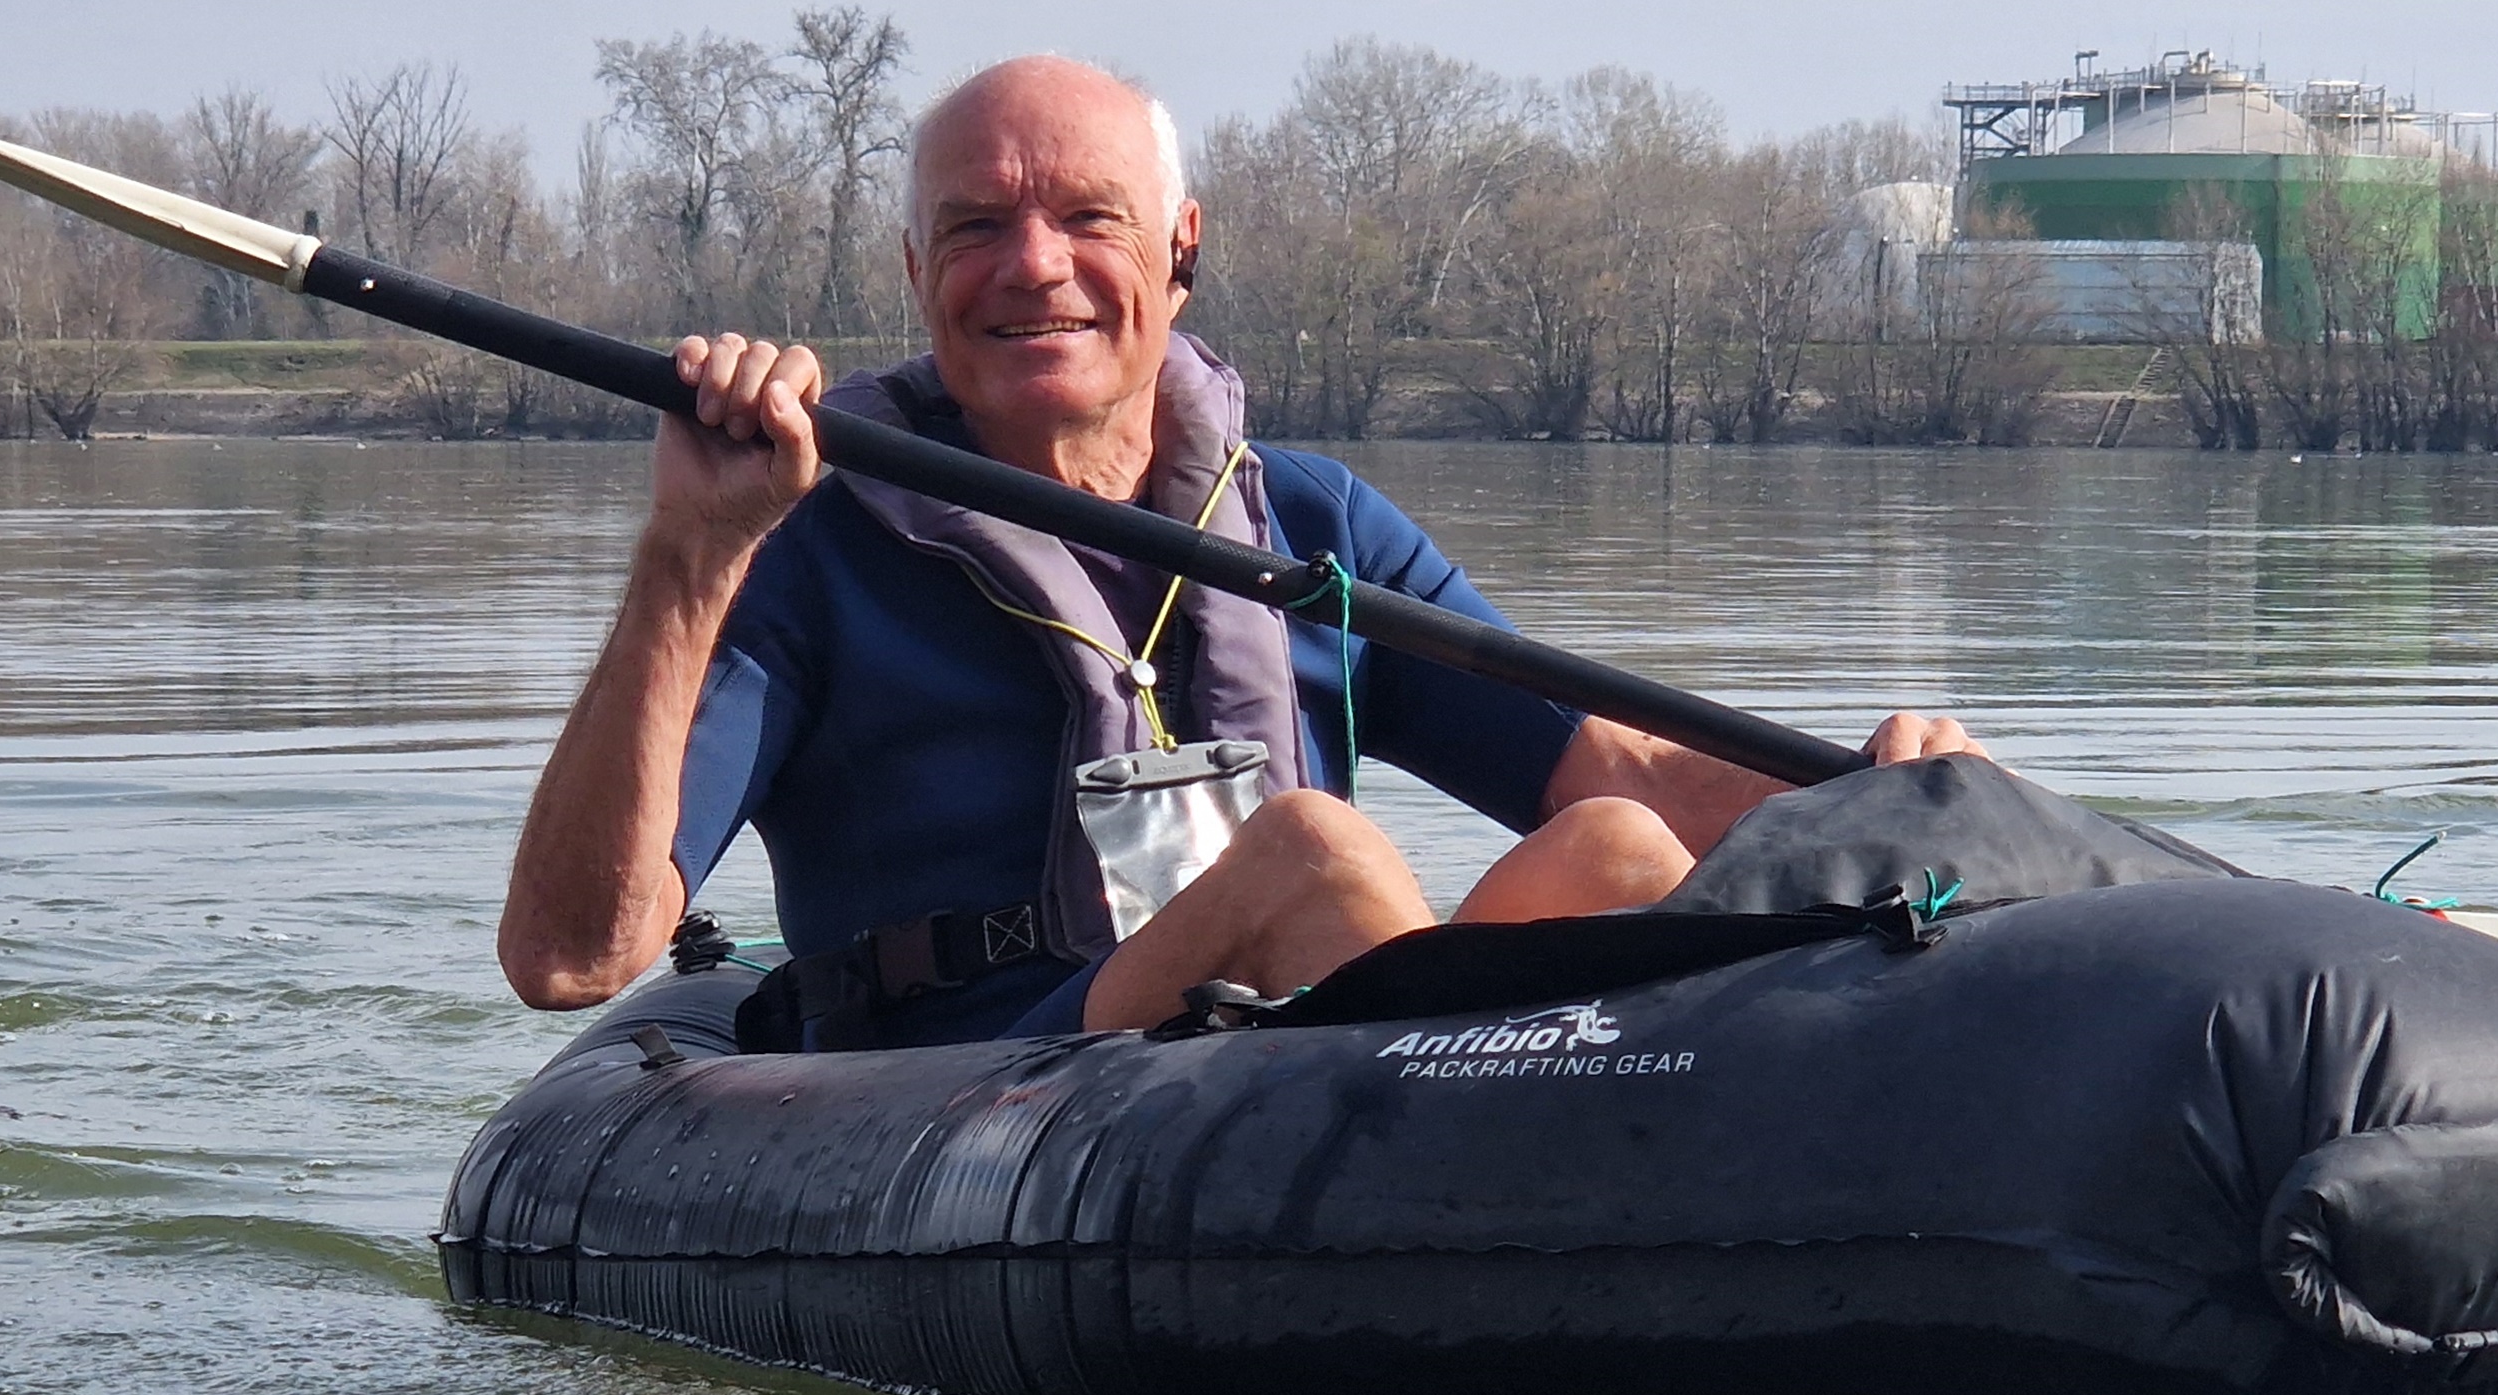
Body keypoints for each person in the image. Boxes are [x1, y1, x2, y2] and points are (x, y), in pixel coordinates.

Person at [499, 54, 1984, 1046]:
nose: (1033, 266)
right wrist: (690, 556)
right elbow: (572, 958)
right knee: (1314, 852)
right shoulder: (798, 545)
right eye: (975, 227)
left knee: (1614, 850)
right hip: (974, 1099)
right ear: (913, 271)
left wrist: (1891, 797)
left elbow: (1628, 775)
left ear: (1181, 248)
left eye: (1090, 217)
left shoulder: (1313, 525)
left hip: (1270, 1077)